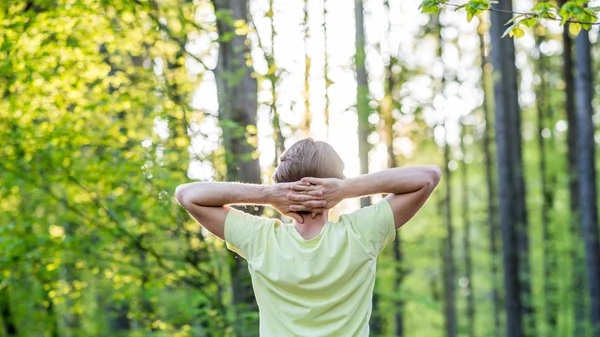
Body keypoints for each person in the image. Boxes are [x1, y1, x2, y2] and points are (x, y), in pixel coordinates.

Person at [175, 138, 441, 337]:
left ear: (282, 183)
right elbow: (428, 177)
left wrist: (268, 194)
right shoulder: (360, 234)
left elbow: (187, 195)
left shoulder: (261, 239)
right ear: (333, 185)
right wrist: (346, 189)